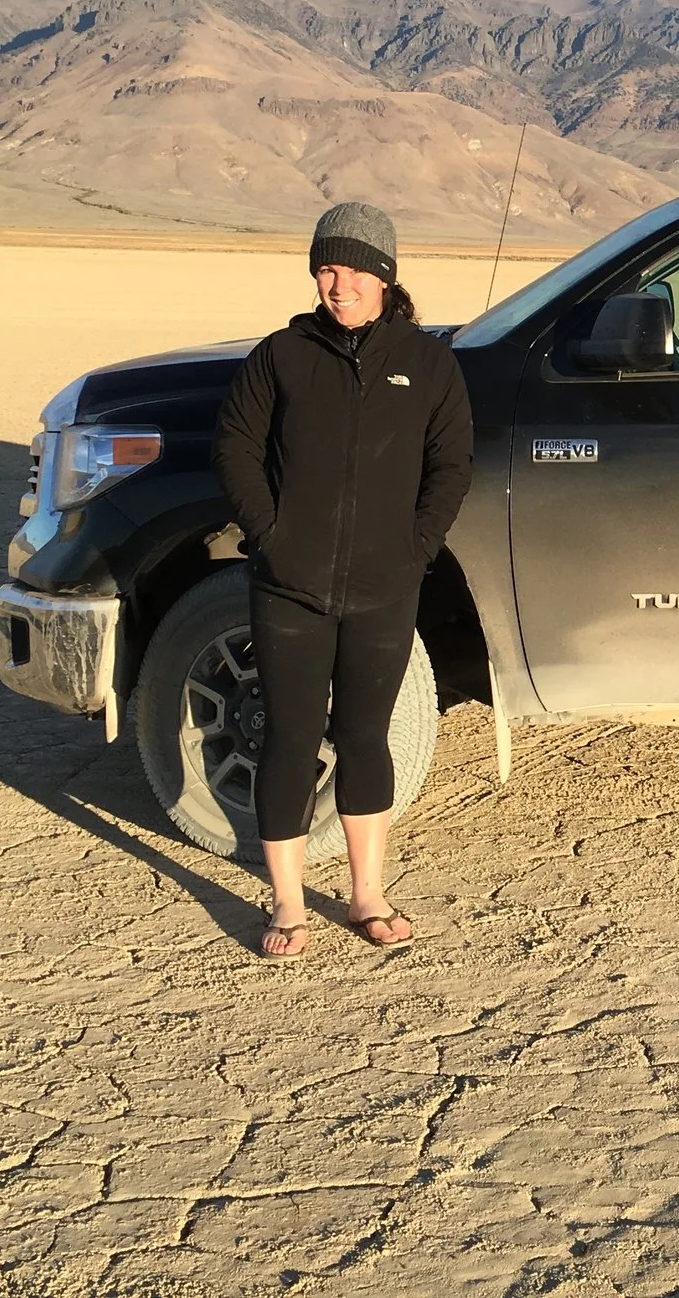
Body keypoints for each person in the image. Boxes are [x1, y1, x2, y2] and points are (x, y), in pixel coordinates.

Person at [214, 201, 474, 957]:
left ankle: (367, 895)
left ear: (385, 276)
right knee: (290, 738)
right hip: (289, 586)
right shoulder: (282, 355)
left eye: (354, 268)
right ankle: (288, 905)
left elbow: (451, 464)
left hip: (384, 588)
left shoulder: (427, 364)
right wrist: (270, 536)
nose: (338, 282)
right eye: (327, 267)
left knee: (364, 737)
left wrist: (416, 548)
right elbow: (234, 446)